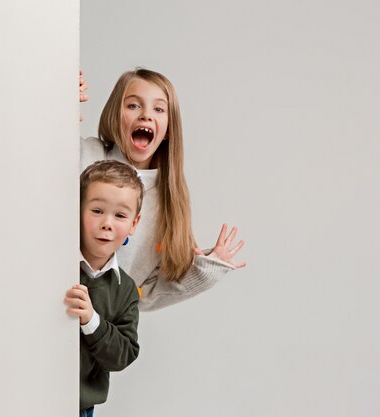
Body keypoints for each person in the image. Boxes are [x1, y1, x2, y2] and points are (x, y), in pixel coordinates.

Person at [79, 68, 247, 311]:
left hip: (102, 334)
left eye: (158, 109)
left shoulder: (168, 200)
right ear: (115, 115)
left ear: (168, 129)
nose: (146, 115)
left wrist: (207, 268)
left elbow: (147, 293)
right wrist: (60, 101)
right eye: (134, 106)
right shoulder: (87, 155)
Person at [65, 160, 144, 417]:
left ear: (134, 223)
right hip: (29, 395)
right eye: (97, 210)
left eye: (120, 215)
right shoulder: (54, 266)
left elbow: (123, 355)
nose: (107, 223)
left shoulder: (126, 291)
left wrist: (91, 321)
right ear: (77, 210)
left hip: (80, 408)